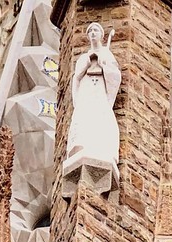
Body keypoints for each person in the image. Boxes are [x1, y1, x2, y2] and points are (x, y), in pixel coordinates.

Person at [63, 22, 122, 196]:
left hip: (100, 94)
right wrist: (89, 62)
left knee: (101, 117)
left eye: (96, 30)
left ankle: (101, 148)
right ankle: (81, 148)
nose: (93, 33)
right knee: (84, 119)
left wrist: (104, 65)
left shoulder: (107, 54)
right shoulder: (84, 57)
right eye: (90, 31)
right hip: (87, 92)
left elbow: (115, 76)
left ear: (102, 35)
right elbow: (77, 77)